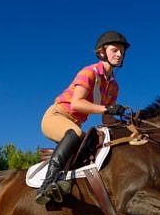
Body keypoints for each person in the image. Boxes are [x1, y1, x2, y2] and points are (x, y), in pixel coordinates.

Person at [35, 30, 131, 205]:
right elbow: (76, 104)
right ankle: (47, 184)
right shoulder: (89, 72)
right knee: (75, 134)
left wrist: (125, 122)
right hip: (56, 116)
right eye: (115, 50)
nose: (119, 54)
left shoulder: (114, 87)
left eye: (122, 52)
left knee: (88, 141)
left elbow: (106, 120)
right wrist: (107, 108)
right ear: (102, 52)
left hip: (74, 123)